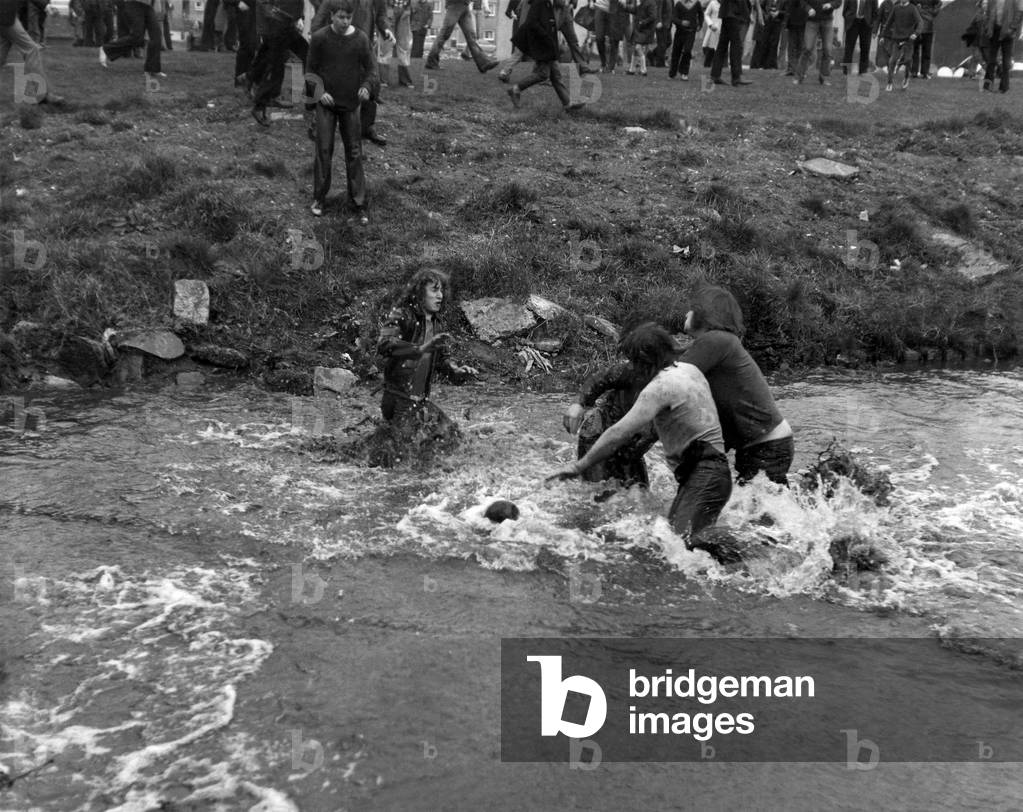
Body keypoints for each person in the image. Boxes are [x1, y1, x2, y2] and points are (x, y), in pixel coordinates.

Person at [548, 323, 733, 551]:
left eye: (634, 360)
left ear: (646, 360)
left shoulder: (659, 387)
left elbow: (619, 433)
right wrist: (579, 404)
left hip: (665, 459)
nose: (631, 366)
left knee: (674, 538)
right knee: (607, 508)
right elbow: (601, 383)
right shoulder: (689, 371)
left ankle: (748, 557)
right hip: (604, 439)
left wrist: (576, 467)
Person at [679, 286, 793, 485]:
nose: (686, 313)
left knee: (757, 512)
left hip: (766, 447)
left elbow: (671, 378)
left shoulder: (716, 340)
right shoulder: (719, 343)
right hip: (763, 444)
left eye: (691, 308)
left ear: (704, 312)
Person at [307, 0, 377, 222]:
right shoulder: (320, 39)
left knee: (354, 152)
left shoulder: (360, 39)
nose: (345, 22)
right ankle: (319, 198)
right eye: (340, 17)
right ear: (331, 16)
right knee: (324, 150)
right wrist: (319, 92)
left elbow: (372, 70)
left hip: (350, 103)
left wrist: (366, 87)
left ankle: (358, 203)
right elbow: (309, 71)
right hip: (326, 103)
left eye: (348, 17)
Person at [377, 268, 478, 422]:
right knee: (406, 445)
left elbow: (442, 360)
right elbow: (384, 344)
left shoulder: (437, 323)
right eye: (435, 290)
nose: (440, 296)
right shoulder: (401, 314)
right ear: (419, 293)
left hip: (420, 401)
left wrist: (456, 370)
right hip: (398, 398)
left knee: (454, 438)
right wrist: (420, 349)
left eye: (442, 291)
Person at [312, 0, 394, 145]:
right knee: (328, 82)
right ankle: (317, 124)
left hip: (363, 43)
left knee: (372, 82)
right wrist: (316, 33)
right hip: (337, 43)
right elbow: (324, 10)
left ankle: (366, 127)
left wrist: (386, 28)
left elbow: (381, 13)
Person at [506, 0, 586, 110]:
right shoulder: (540, 2)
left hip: (547, 42)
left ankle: (568, 103)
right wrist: (546, 37)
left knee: (556, 75)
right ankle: (515, 89)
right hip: (541, 43)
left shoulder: (548, 2)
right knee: (543, 74)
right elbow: (531, 22)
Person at [1, 0, 63, 102]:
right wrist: (46, 6)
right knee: (31, 50)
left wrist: (45, 6)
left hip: (7, 15)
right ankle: (40, 95)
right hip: (5, 15)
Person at [423, 0, 500, 71]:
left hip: (464, 5)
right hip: (455, 5)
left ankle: (484, 63)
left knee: (471, 36)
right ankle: (431, 61)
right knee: (445, 34)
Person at [99, 0, 166, 77]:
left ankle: (152, 69)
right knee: (137, 37)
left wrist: (160, 8)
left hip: (148, 6)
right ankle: (106, 49)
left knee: (156, 36)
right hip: (134, 4)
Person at [978, 0, 1023, 93]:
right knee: (991, 60)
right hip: (994, 31)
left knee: (1006, 62)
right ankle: (987, 86)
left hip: (1008, 33)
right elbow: (988, 13)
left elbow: (1019, 14)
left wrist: (1012, 28)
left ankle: (1004, 87)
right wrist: (987, 27)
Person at [793, 0, 839, 85]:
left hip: (827, 21)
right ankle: (799, 77)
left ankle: (824, 78)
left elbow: (838, 2)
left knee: (827, 50)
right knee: (807, 48)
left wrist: (831, 4)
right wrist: (809, 9)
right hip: (812, 21)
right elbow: (802, 2)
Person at [878, 0, 920, 91]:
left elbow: (921, 23)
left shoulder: (912, 8)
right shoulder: (896, 8)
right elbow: (888, 23)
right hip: (896, 39)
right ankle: (889, 83)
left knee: (908, 60)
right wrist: (882, 36)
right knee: (892, 60)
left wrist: (916, 33)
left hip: (908, 40)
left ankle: (906, 77)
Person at [710, 0, 754, 85]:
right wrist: (745, 13)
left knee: (722, 46)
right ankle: (736, 77)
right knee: (735, 45)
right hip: (735, 14)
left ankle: (715, 75)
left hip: (726, 13)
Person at [668, 0, 703, 77]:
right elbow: (673, 18)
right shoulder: (679, 4)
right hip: (680, 32)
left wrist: (700, 25)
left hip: (691, 32)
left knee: (687, 51)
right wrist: (681, 22)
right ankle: (672, 73)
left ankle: (684, 72)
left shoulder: (696, 3)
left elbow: (701, 14)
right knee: (676, 52)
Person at [841, 0, 876, 75]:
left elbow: (875, 10)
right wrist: (848, 18)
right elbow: (844, 10)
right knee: (849, 48)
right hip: (852, 23)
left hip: (866, 23)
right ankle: (846, 71)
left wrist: (871, 23)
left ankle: (863, 71)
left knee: (865, 48)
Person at [908, 0, 938, 77]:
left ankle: (919, 72)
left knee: (920, 51)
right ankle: (921, 72)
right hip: (919, 26)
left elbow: (939, 4)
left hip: (924, 27)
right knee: (919, 51)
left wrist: (932, 13)